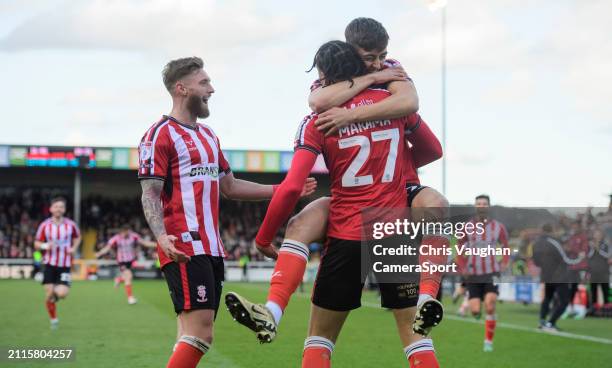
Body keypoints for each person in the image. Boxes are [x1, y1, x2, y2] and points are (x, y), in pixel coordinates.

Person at [225, 16, 448, 344]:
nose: (378, 62)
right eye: (369, 58)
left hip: (349, 220)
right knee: (416, 337)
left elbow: (294, 175)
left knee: (319, 334)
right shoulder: (389, 96)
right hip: (393, 212)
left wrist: (263, 239)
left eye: (381, 56)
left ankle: (274, 309)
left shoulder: (320, 115)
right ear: (351, 52)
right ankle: (428, 294)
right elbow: (430, 145)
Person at [138, 56, 315, 368]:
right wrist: (162, 236)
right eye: (204, 82)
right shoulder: (159, 134)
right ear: (181, 88)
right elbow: (150, 192)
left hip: (212, 248)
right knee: (200, 335)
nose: (212, 89)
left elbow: (230, 187)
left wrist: (285, 189)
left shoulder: (208, 136)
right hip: (185, 246)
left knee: (189, 333)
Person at [456, 194, 509, 352]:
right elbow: (459, 247)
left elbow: (505, 246)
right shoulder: (467, 226)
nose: (481, 206)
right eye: (478, 203)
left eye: (484, 203)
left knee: (490, 305)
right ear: (476, 206)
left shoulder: (498, 227)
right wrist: (462, 266)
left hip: (491, 272)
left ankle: (488, 341)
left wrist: (504, 262)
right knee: (475, 310)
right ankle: (476, 312)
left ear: (488, 206)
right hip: (473, 273)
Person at [34, 197, 81, 329]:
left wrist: (74, 248)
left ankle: (50, 297)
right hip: (49, 264)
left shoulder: (71, 225)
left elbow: (78, 237)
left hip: (64, 264)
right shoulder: (45, 225)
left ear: (64, 209)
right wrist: (45, 246)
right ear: (51, 209)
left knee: (62, 294)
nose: (58, 209)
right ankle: (54, 319)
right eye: (56, 206)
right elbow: (36, 243)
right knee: (50, 293)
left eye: (61, 207)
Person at [95, 224, 157, 304]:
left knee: (128, 276)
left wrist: (157, 244)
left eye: (128, 231)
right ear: (122, 232)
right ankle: (130, 298)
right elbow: (108, 247)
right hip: (122, 261)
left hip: (130, 260)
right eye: (125, 232)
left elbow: (144, 243)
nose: (127, 233)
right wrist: (99, 253)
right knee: (128, 276)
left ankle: (119, 279)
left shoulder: (133, 236)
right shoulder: (116, 238)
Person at [533, 224, 571, 331]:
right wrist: (580, 259)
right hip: (559, 276)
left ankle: (542, 321)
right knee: (564, 301)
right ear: (552, 230)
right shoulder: (554, 242)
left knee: (547, 298)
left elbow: (536, 262)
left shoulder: (536, 244)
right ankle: (551, 323)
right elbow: (565, 258)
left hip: (546, 275)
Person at [587, 228, 611, 308]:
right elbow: (588, 256)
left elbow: (607, 255)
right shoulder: (590, 245)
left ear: (601, 236)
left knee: (605, 290)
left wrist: (598, 249)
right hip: (594, 272)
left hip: (603, 271)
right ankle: (594, 308)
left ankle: (606, 307)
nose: (597, 236)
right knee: (593, 290)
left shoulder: (605, 245)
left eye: (598, 234)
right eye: (595, 234)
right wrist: (593, 248)